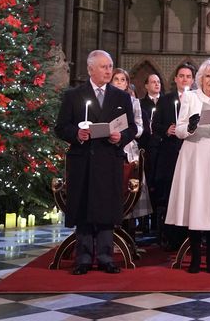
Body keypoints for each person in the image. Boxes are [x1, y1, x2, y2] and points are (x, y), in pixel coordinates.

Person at [55, 50, 137, 275]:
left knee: (105, 209)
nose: (109, 70)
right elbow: (61, 127)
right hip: (83, 161)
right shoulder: (74, 95)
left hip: (109, 159)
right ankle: (82, 258)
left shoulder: (121, 97)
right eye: (103, 67)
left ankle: (105, 256)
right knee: (83, 207)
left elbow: (132, 128)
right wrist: (77, 134)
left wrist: (121, 137)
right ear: (90, 69)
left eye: (110, 66)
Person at [165, 59, 210, 273]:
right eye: (208, 76)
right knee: (196, 204)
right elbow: (179, 130)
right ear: (200, 79)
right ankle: (196, 258)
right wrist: (189, 126)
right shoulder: (189, 96)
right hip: (194, 154)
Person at [152, 62, 196, 250]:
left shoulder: (196, 99)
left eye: (188, 76)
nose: (184, 79)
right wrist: (166, 130)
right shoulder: (165, 100)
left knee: (190, 195)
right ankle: (172, 238)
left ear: (193, 80)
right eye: (181, 76)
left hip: (191, 153)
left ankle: (191, 236)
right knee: (171, 195)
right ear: (176, 79)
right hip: (170, 153)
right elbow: (155, 125)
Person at [110, 69, 152, 235]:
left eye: (123, 80)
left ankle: (129, 236)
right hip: (110, 146)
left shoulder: (134, 102)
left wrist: (126, 132)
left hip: (129, 147)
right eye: (116, 79)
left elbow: (140, 127)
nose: (120, 82)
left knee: (131, 190)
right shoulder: (106, 100)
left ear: (127, 83)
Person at [138, 74, 163, 231]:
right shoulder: (141, 104)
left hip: (162, 147)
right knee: (148, 183)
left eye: (158, 82)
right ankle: (144, 220)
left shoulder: (166, 102)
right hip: (148, 147)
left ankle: (158, 222)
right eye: (153, 82)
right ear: (146, 86)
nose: (156, 84)